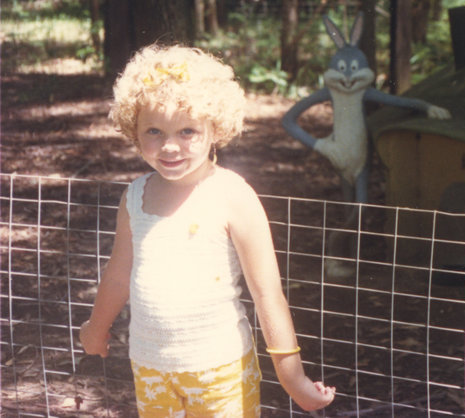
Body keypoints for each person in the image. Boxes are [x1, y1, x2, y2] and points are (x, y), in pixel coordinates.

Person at [80, 44, 335, 416]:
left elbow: (267, 295)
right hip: (151, 368)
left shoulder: (232, 195)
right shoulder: (135, 197)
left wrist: (290, 375)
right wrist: (96, 327)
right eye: (154, 130)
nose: (169, 146)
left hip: (220, 371)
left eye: (187, 131)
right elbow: (119, 274)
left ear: (214, 128)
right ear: (133, 128)